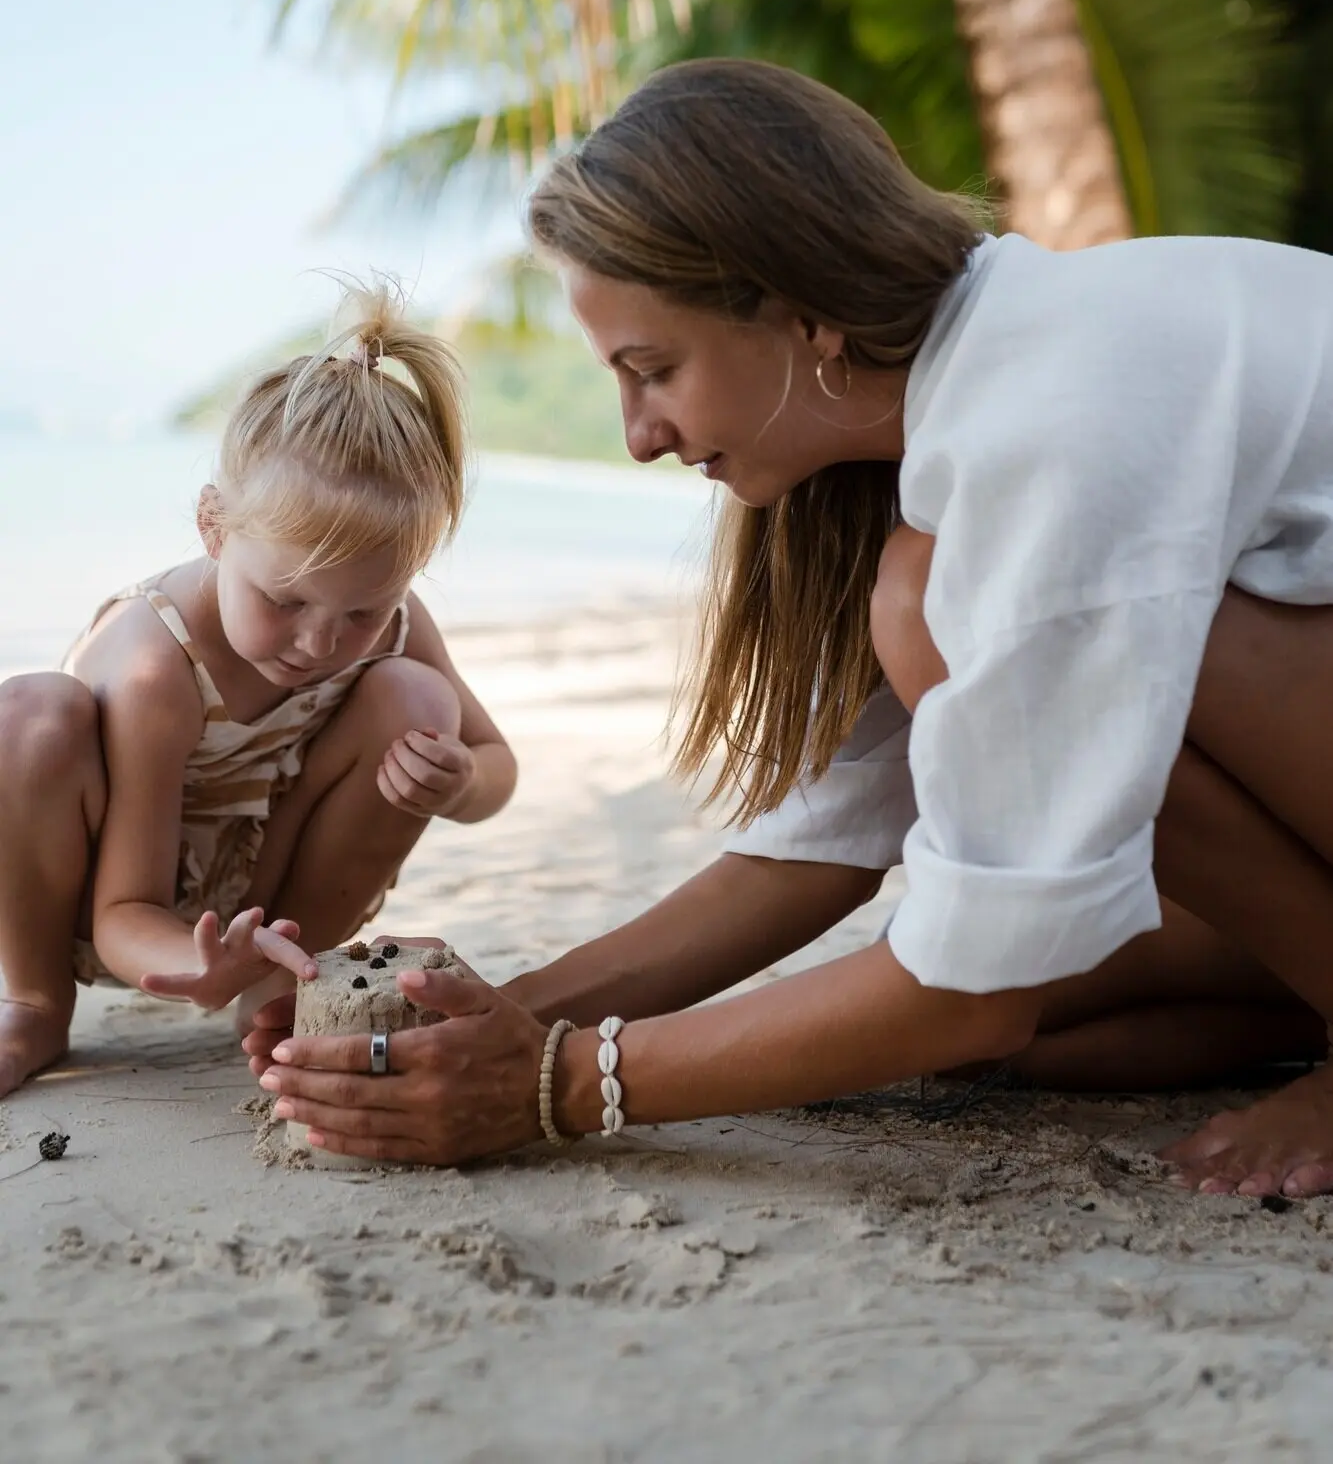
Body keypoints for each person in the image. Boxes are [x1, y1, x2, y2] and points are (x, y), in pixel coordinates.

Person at [251, 60, 1333, 1199]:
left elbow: (979, 970)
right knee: (1030, 1028)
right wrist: (477, 1013)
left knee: (930, 632)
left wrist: (557, 1082)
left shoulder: (1042, 425)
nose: (638, 436)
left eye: (650, 369)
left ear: (797, 309)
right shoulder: (967, 401)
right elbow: (828, 839)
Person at [0, 285, 517, 1096]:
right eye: (284, 601)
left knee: (419, 702)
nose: (319, 643)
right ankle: (32, 1002)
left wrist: (461, 781)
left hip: (263, 917)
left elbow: (494, 770)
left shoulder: (394, 624)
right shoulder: (156, 661)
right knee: (27, 715)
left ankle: (275, 993)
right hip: (93, 902)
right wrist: (193, 963)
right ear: (213, 526)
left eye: (361, 611)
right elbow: (122, 909)